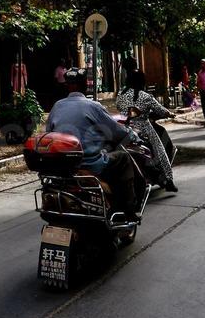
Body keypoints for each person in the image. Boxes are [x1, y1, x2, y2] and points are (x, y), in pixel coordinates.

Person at [47, 68, 142, 218]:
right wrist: (132, 134)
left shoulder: (57, 106)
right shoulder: (93, 106)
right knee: (123, 158)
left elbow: (49, 133)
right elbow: (117, 132)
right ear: (85, 85)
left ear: (67, 86)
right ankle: (129, 210)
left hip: (64, 165)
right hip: (90, 163)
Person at [117, 70, 178, 192]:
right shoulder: (145, 96)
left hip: (125, 127)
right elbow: (161, 110)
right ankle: (168, 180)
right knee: (160, 151)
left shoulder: (121, 95)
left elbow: (119, 108)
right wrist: (170, 114)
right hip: (143, 128)